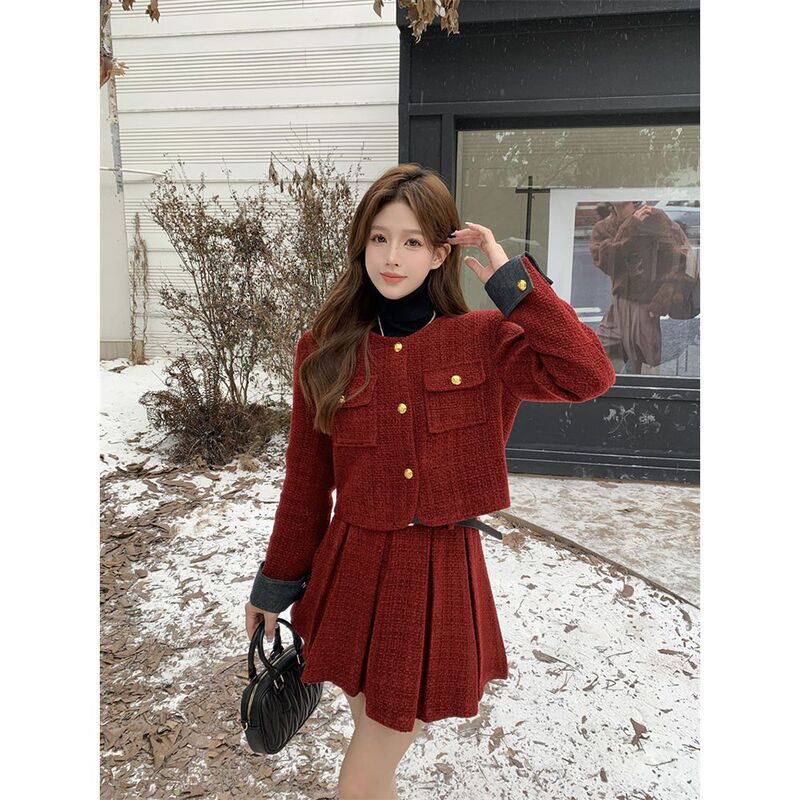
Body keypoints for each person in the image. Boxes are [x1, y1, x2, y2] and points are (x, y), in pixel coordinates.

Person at [244, 164, 616, 799]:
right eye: (379, 238)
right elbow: (305, 484)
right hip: (350, 572)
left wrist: (511, 279)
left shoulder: (484, 340)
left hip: (436, 576)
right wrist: (274, 585)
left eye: (412, 241)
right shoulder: (325, 348)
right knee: (372, 751)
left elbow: (587, 373)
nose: (392, 257)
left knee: (364, 772)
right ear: (361, 244)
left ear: (442, 252)